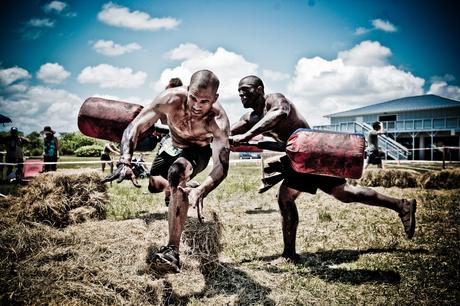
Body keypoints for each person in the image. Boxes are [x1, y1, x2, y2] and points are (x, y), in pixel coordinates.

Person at [230, 75, 417, 261]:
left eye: (245, 89)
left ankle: (289, 255)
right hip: (299, 159)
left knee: (297, 197)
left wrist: (247, 135)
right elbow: (226, 133)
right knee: (342, 193)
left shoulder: (275, 100)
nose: (241, 93)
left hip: (313, 153)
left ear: (260, 89)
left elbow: (279, 114)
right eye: (239, 91)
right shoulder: (250, 118)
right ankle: (401, 205)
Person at [103, 70, 230, 273]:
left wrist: (203, 189)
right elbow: (134, 126)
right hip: (171, 144)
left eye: (205, 101)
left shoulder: (218, 121)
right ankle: (176, 192)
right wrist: (125, 161)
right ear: (187, 90)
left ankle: (172, 251)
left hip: (198, 151)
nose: (197, 106)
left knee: (176, 172)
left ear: (215, 99)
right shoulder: (170, 99)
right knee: (154, 184)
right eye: (194, 98)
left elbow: (221, 166)